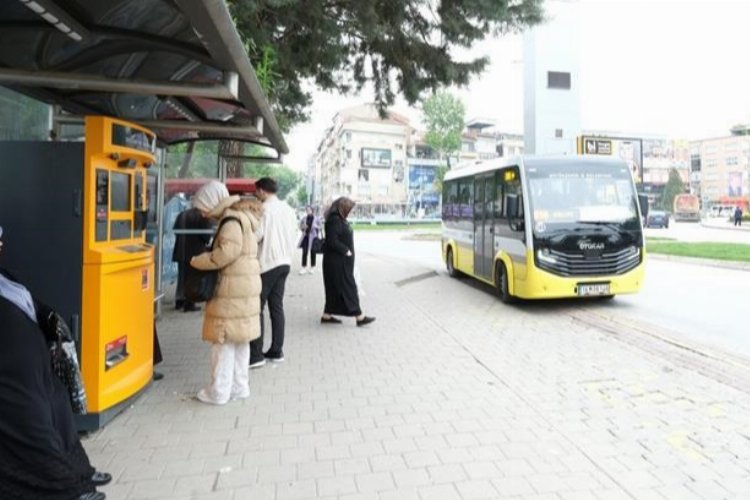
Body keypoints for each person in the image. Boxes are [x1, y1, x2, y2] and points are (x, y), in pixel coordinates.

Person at [0, 226, 110, 500]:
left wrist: (47, 317)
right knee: (32, 424)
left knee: (57, 408)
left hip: (32, 370)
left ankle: (79, 472)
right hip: (11, 378)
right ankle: (62, 488)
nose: (1, 245)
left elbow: (25, 300)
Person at [189, 182, 263, 405]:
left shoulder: (230, 220)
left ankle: (218, 391)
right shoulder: (241, 216)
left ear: (212, 202)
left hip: (232, 289)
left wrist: (198, 260)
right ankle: (240, 387)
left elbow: (226, 253)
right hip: (244, 286)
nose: (202, 212)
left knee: (223, 341)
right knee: (240, 340)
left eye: (203, 207)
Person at [249, 177, 298, 368]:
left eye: (256, 192)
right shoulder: (288, 209)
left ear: (262, 191)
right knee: (276, 307)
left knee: (256, 307)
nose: (256, 195)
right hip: (285, 262)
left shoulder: (265, 210)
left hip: (268, 263)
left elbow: (257, 236)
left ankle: (256, 355)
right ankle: (276, 350)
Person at [320, 198, 375, 327]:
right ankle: (359, 317)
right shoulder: (334, 220)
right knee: (349, 288)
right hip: (337, 262)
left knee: (334, 289)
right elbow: (332, 241)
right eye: (348, 209)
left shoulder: (339, 219)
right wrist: (346, 251)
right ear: (342, 208)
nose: (350, 211)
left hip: (339, 262)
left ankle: (326, 315)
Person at [172, 202, 213, 312]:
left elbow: (175, 230)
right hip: (195, 253)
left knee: (182, 277)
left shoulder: (182, 214)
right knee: (192, 279)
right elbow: (206, 236)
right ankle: (189, 304)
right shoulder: (203, 216)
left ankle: (179, 301)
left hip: (181, 251)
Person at [298, 205, 322, 275]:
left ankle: (312, 267)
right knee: (304, 252)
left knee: (313, 252)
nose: (308, 211)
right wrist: (303, 227)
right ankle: (303, 267)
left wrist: (315, 226)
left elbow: (320, 227)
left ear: (312, 210)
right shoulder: (304, 218)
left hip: (313, 238)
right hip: (306, 237)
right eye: (307, 210)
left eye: (309, 210)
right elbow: (300, 226)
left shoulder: (316, 218)